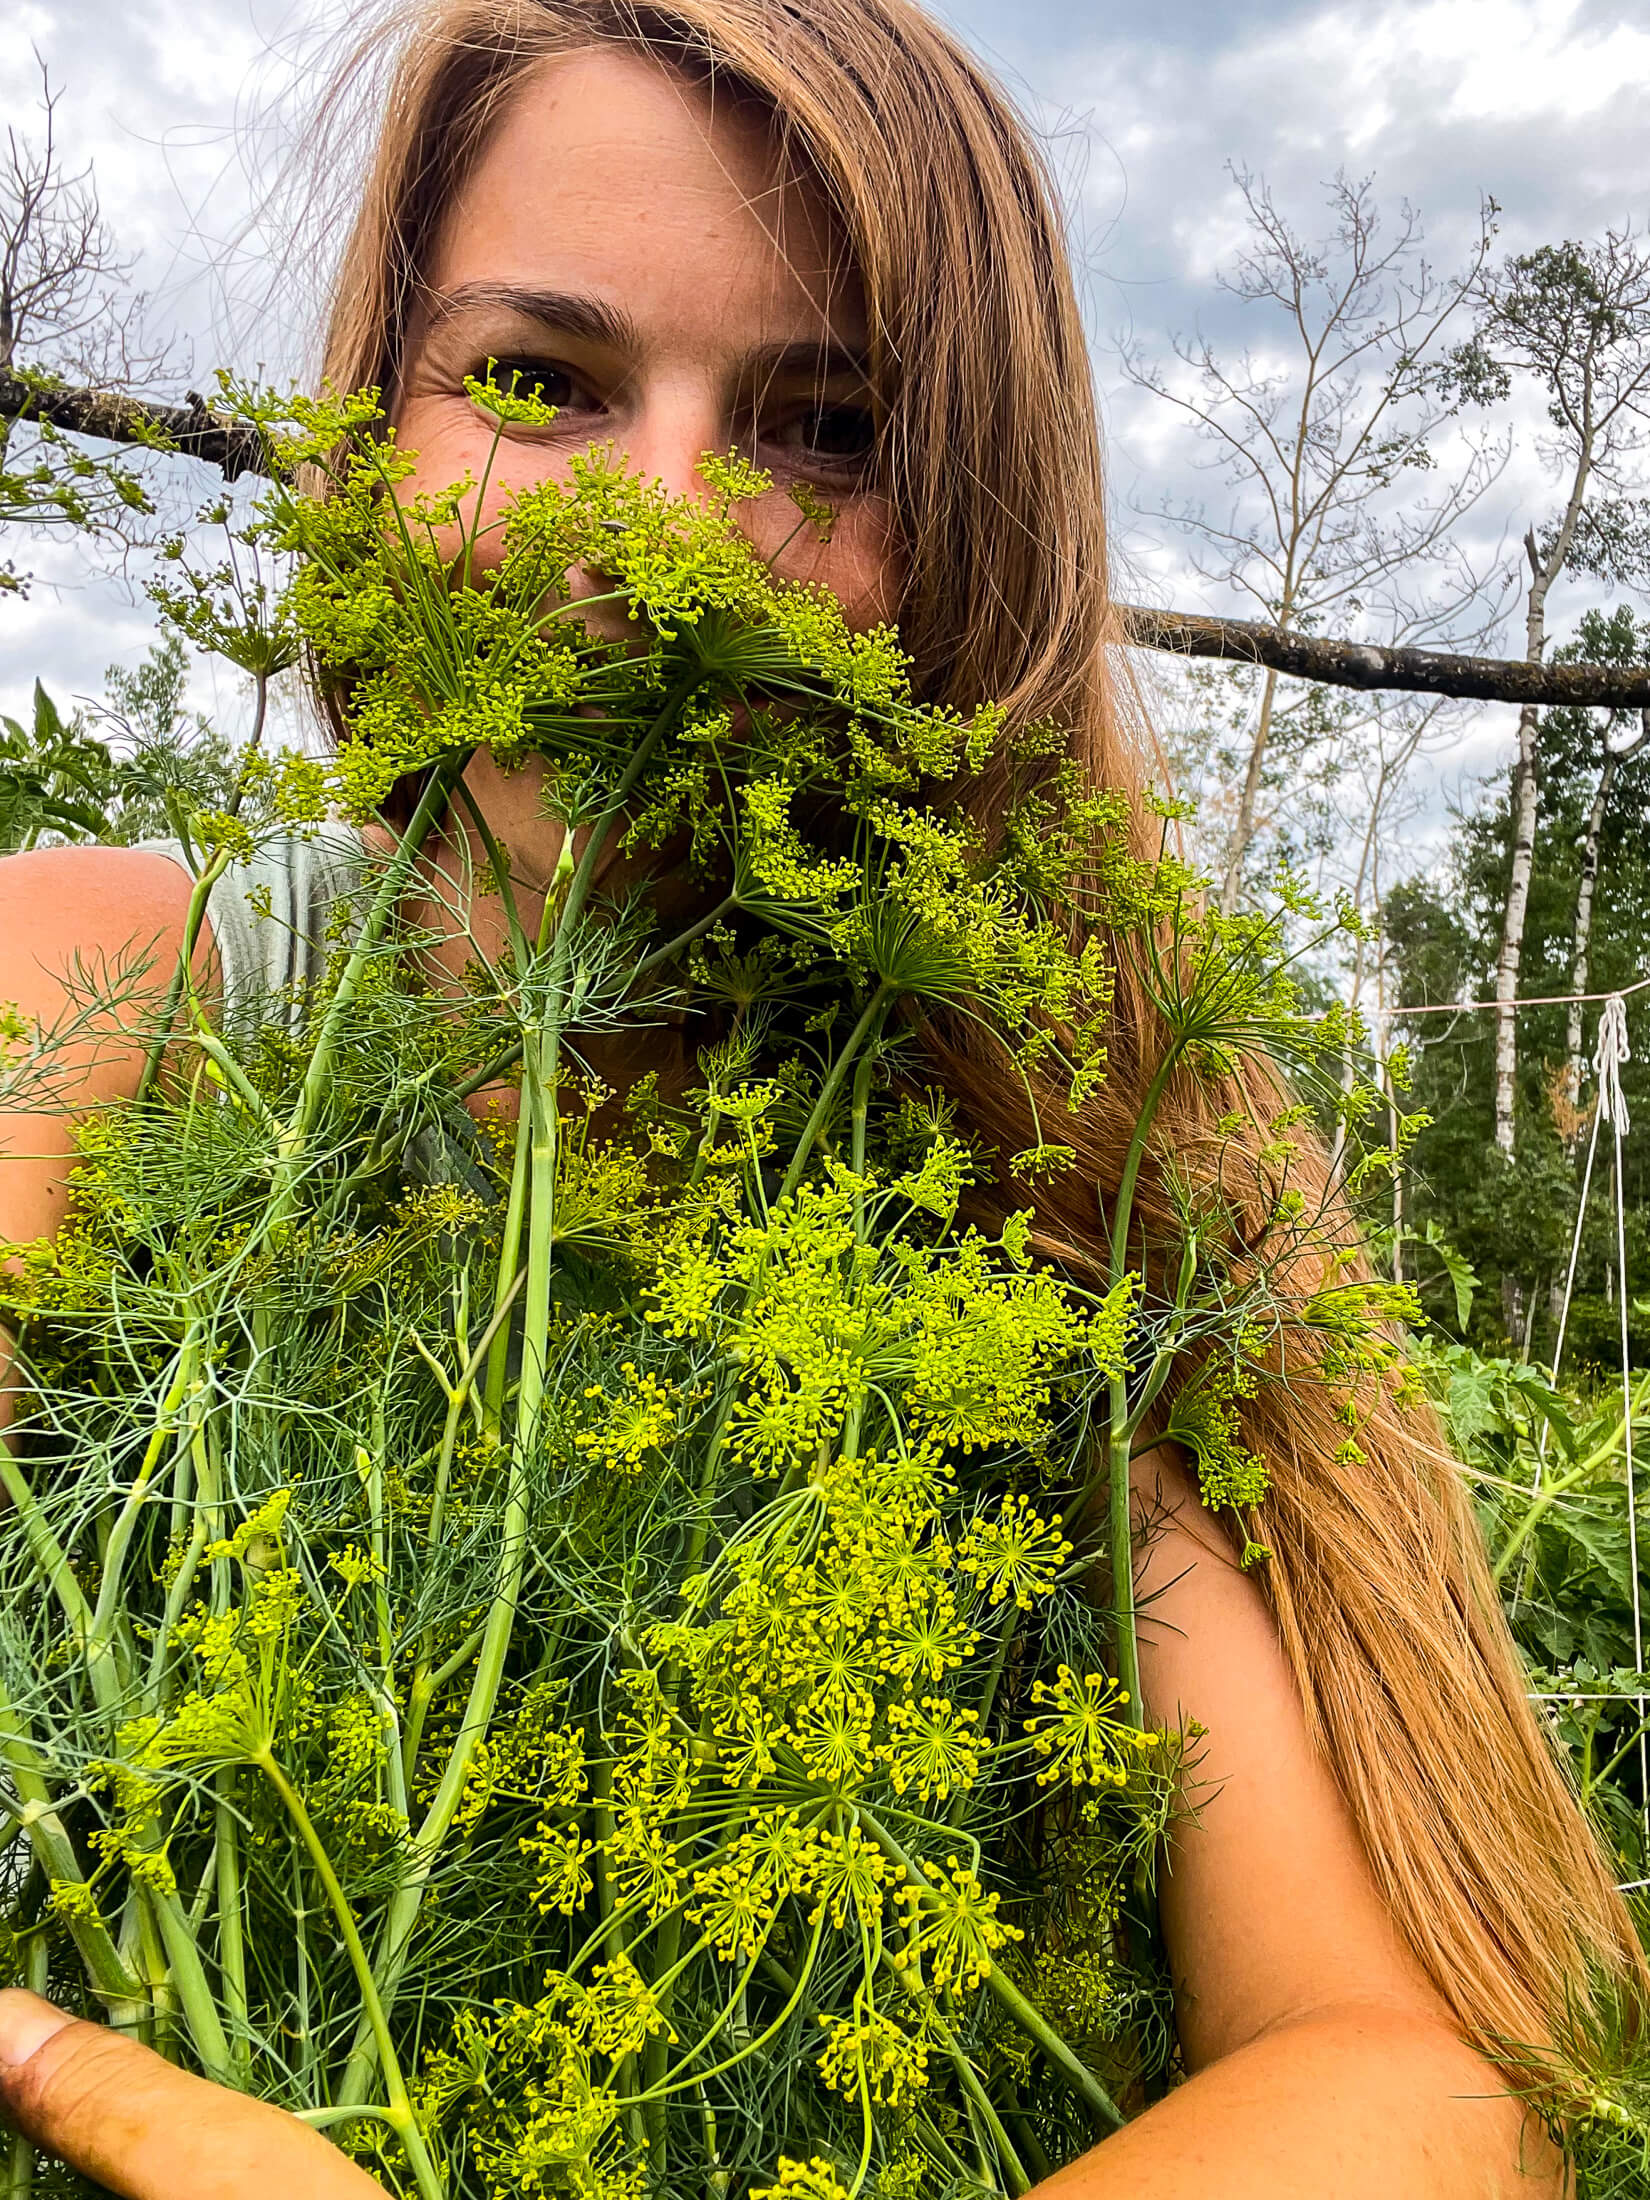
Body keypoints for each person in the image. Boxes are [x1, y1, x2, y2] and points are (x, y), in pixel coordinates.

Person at [0, 4, 1638, 2195]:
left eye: (826, 423)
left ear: (970, 533)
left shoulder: (1039, 1200)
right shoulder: (110, 996)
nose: (659, 531)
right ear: (370, 429)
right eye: (536, 380)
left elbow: (1416, 2072)